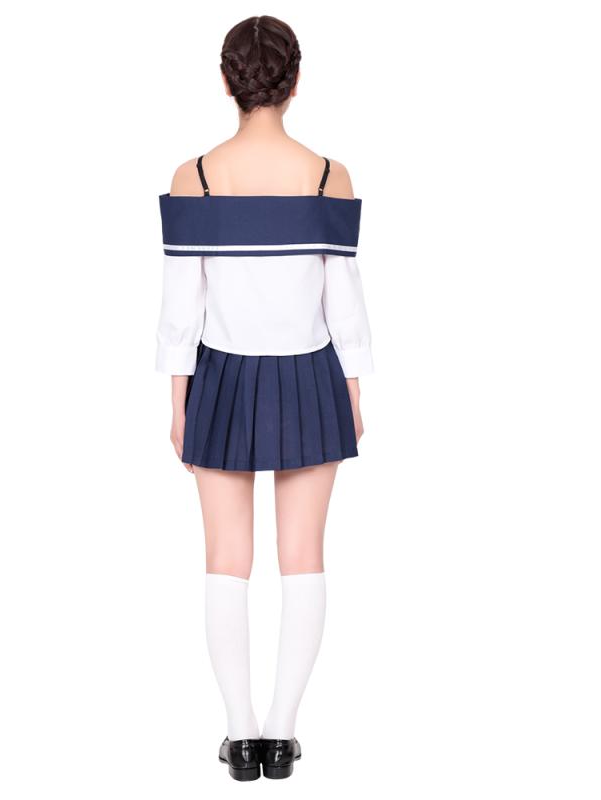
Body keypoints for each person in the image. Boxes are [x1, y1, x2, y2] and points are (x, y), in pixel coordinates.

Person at [154, 15, 374, 781]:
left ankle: (240, 734)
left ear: (226, 81)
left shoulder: (195, 177)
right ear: (295, 80)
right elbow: (345, 303)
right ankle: (282, 734)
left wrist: (177, 402)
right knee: (304, 556)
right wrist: (353, 391)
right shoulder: (329, 176)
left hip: (218, 379)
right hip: (312, 377)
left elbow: (180, 310)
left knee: (226, 558)